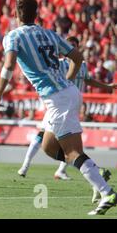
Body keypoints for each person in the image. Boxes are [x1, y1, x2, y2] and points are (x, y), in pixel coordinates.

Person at [0, 0, 116, 215]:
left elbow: (9, 63)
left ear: (15, 13)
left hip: (58, 99)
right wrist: (67, 79)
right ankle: (96, 172)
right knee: (49, 147)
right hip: (67, 94)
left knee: (72, 153)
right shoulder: (49, 34)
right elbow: (77, 58)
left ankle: (107, 192)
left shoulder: (13, 36)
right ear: (36, 12)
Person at [18, 36, 116, 196]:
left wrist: (107, 86)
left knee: (66, 144)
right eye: (70, 46)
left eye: (75, 46)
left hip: (72, 105)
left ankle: (92, 176)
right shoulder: (58, 65)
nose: (72, 49)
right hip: (58, 105)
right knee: (46, 138)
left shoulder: (82, 66)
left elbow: (88, 81)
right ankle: (26, 165)